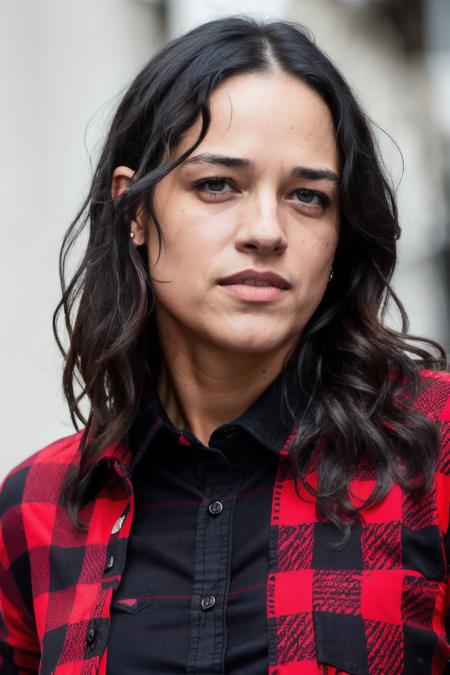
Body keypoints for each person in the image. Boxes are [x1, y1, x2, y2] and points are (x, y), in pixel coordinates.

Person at [1, 15, 449, 675]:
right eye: (218, 185)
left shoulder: (432, 449)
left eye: (307, 196)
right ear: (133, 213)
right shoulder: (37, 508)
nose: (266, 230)